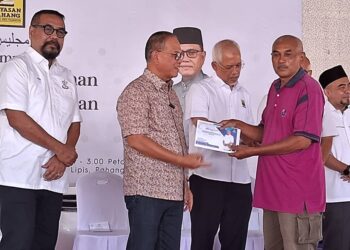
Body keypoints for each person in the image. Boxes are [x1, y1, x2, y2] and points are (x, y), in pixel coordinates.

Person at [220, 35, 325, 250]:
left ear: (301, 58)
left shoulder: (309, 88)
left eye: (288, 54)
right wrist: (238, 125)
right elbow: (266, 133)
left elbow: (302, 140)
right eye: (276, 54)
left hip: (297, 192)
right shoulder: (275, 87)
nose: (281, 60)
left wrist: (252, 152)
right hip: (272, 189)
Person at [117, 31, 206, 250]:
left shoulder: (170, 93)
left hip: (173, 192)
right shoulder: (136, 91)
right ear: (156, 56)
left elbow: (176, 140)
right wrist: (181, 160)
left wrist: (184, 184)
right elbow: (136, 139)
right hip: (146, 190)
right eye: (176, 54)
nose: (181, 60)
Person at [0, 9, 81, 250]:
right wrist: (61, 150)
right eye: (48, 29)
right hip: (19, 177)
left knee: (44, 244)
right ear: (31, 31)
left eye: (60, 32)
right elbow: (16, 118)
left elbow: (75, 122)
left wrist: (61, 158)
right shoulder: (17, 67)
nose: (54, 36)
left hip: (54, 179)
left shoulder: (66, 75)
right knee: (18, 243)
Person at [185, 39, 254, 250]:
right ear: (214, 66)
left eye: (239, 65)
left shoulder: (245, 94)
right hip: (208, 180)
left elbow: (251, 135)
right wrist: (238, 138)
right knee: (202, 242)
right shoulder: (201, 90)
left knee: (236, 243)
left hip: (241, 181)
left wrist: (249, 138)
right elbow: (202, 127)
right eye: (229, 66)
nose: (235, 71)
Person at [319, 65, 350, 250]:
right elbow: (322, 153)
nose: (347, 90)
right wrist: (346, 169)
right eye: (341, 86)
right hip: (334, 195)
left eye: (348, 85)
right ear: (327, 92)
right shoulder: (320, 114)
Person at [172, 27, 207, 111]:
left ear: (203, 56)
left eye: (192, 53)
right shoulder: (170, 92)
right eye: (179, 54)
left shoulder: (215, 90)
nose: (185, 59)